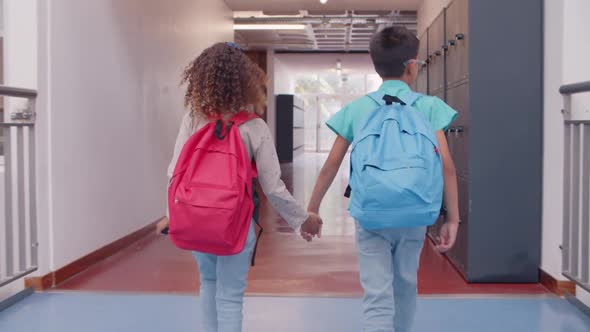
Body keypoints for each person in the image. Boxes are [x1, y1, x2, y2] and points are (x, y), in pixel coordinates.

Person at [158, 42, 322, 332]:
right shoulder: (254, 127)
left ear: (201, 78)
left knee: (207, 284)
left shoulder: (194, 119)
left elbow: (175, 173)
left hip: (196, 221)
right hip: (235, 224)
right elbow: (273, 187)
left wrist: (174, 216)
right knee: (231, 298)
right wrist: (303, 221)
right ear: (244, 82)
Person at [307, 26, 460, 332]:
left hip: (371, 213)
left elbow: (331, 165)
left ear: (376, 67)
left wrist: (312, 209)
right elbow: (446, 166)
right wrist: (452, 219)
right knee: (405, 287)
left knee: (377, 297)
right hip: (415, 212)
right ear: (412, 66)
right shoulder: (428, 107)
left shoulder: (358, 108)